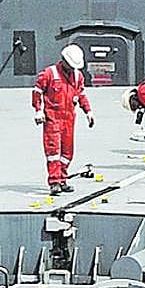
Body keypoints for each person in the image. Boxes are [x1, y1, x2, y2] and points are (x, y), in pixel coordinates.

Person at [33, 44, 94, 194]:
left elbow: (81, 94)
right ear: (64, 60)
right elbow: (37, 91)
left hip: (69, 118)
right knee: (53, 151)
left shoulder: (78, 76)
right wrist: (38, 111)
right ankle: (54, 182)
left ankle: (62, 178)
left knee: (67, 152)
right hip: (52, 117)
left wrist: (88, 111)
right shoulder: (49, 73)